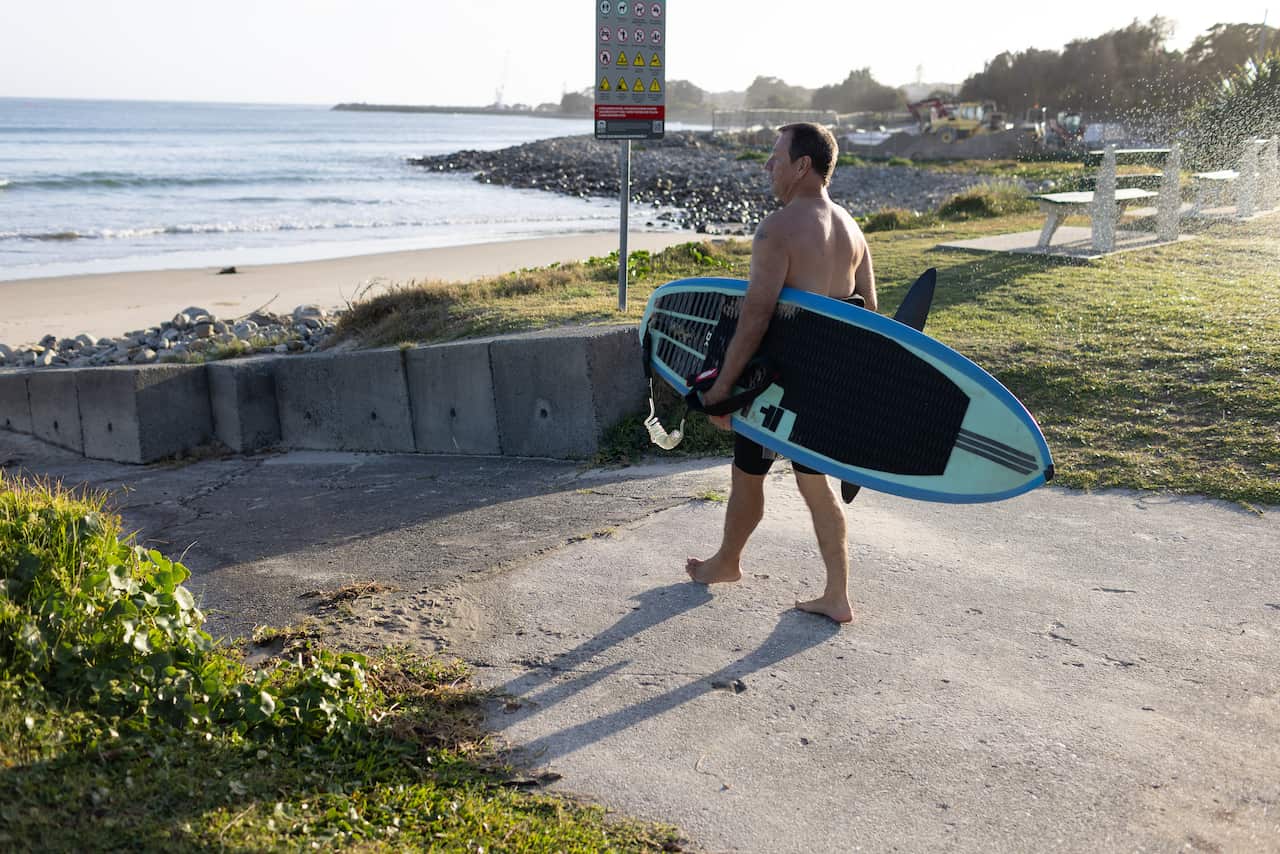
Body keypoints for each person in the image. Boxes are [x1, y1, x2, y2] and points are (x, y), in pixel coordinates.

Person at [685, 122, 877, 625]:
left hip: (777, 386)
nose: (768, 166)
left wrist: (722, 390)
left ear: (802, 166)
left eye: (776, 156)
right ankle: (836, 594)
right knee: (816, 486)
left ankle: (728, 562)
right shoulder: (854, 230)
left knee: (748, 474)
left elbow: (755, 317)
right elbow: (870, 318)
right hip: (825, 385)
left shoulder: (777, 229)